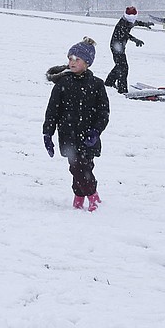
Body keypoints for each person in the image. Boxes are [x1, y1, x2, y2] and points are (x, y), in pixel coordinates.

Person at [43, 37, 110, 211]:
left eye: (76, 59)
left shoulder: (97, 85)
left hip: (88, 136)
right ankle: (92, 196)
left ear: (87, 62)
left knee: (85, 166)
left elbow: (103, 112)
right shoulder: (63, 83)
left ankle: (80, 197)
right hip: (69, 136)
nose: (72, 62)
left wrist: (96, 131)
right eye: (70, 58)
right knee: (77, 167)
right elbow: (52, 111)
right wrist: (48, 133)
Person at [104, 6, 149, 94]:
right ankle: (122, 90)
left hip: (120, 46)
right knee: (123, 68)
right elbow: (125, 34)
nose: (132, 20)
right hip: (116, 47)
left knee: (119, 65)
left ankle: (109, 82)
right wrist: (135, 40)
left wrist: (145, 24)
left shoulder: (128, 21)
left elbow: (135, 23)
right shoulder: (122, 23)